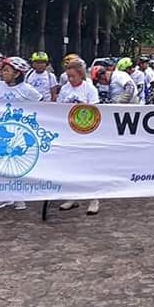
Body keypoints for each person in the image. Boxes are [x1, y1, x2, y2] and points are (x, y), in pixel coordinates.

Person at [0, 57, 42, 211]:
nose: (2, 73)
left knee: (17, 162)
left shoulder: (27, 89)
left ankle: (19, 197)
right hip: (1, 131)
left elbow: (42, 103)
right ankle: (4, 196)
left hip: (20, 132)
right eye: (2, 70)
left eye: (6, 70)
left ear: (17, 74)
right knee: (1, 162)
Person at [56, 60, 100, 212]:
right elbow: (58, 108)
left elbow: (95, 110)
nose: (70, 79)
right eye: (68, 76)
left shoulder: (90, 89)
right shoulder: (65, 89)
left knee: (89, 166)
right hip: (69, 132)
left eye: (73, 76)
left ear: (80, 75)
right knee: (71, 165)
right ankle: (72, 196)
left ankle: (94, 199)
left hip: (86, 131)